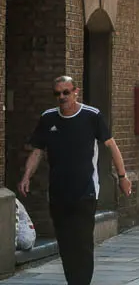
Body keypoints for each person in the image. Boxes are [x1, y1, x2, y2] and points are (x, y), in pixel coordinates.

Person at [18, 76, 132, 285]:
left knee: (82, 242)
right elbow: (37, 151)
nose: (62, 97)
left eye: (66, 92)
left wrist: (122, 177)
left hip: (85, 191)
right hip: (58, 192)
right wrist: (26, 177)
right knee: (65, 242)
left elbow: (112, 146)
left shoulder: (92, 116)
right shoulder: (48, 118)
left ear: (76, 92)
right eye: (57, 94)